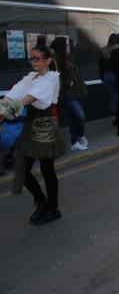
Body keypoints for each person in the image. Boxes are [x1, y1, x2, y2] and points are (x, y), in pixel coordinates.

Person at [2, 45, 66, 225]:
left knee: (47, 169)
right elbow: (15, 92)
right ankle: (42, 201)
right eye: (32, 58)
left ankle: (53, 208)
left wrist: (8, 110)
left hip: (45, 125)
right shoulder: (31, 77)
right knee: (22, 169)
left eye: (37, 58)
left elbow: (31, 97)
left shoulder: (52, 78)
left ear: (48, 60)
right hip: (31, 124)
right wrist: (3, 106)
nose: (33, 62)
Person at [50, 37, 89, 150]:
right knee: (80, 116)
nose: (68, 46)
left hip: (78, 91)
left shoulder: (69, 57)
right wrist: (68, 83)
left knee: (74, 118)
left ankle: (74, 142)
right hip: (67, 94)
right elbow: (54, 76)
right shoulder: (54, 59)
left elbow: (76, 74)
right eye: (66, 45)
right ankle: (81, 136)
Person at [99, 33, 118, 115]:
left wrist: (102, 77)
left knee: (113, 96)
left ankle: (115, 115)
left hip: (106, 75)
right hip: (115, 74)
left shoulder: (103, 50)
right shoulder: (117, 50)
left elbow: (100, 65)